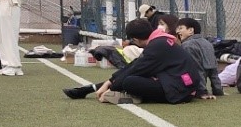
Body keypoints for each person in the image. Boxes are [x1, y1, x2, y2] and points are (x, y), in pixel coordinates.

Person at [62, 17, 205, 104]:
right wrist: (109, 82)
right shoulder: (159, 41)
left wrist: (112, 87)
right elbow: (135, 65)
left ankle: (134, 96)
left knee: (130, 81)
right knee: (128, 75)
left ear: (135, 39)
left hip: (179, 90)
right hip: (175, 82)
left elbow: (136, 70)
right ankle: (89, 89)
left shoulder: (158, 45)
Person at [176, 17, 222, 98]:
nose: (177, 31)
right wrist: (218, 90)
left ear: (191, 30)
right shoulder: (208, 43)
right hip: (209, 85)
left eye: (180, 28)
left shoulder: (187, 45)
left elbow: (196, 69)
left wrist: (202, 92)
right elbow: (213, 70)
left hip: (195, 88)